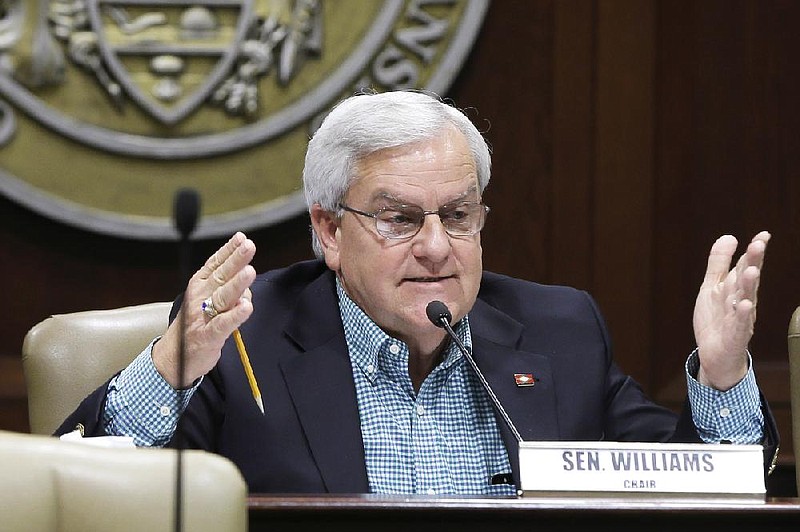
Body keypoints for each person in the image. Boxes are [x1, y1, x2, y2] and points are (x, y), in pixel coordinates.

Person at [58, 90, 777, 495]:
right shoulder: (249, 335)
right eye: (401, 219)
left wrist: (722, 378)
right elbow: (80, 486)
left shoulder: (558, 330)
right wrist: (171, 368)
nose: (437, 247)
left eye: (458, 216)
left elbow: (695, 491)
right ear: (330, 231)